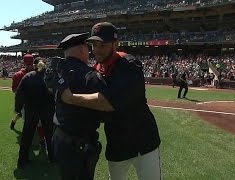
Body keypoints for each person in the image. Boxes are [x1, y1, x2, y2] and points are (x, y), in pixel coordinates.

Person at [56, 22, 162, 180]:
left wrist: (70, 98)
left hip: (143, 142)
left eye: (102, 45)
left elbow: (110, 103)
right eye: (93, 45)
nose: (97, 49)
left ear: (116, 44)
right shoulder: (97, 68)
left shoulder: (129, 64)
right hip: (116, 143)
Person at [51, 33, 104, 180]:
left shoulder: (57, 70)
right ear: (81, 50)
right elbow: (102, 109)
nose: (89, 51)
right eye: (87, 48)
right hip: (79, 143)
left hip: (60, 137)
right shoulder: (89, 74)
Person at [14, 60, 53, 168]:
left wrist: (18, 108)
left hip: (31, 109)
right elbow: (54, 94)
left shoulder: (28, 76)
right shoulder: (49, 76)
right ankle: (52, 158)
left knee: (27, 136)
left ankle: (22, 160)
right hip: (46, 110)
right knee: (49, 135)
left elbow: (19, 93)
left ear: (34, 66)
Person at [10, 54, 34, 129]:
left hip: (30, 98)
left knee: (22, 113)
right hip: (24, 99)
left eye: (31, 63)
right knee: (24, 115)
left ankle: (13, 121)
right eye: (29, 64)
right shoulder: (18, 75)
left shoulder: (35, 72)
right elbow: (14, 89)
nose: (30, 65)